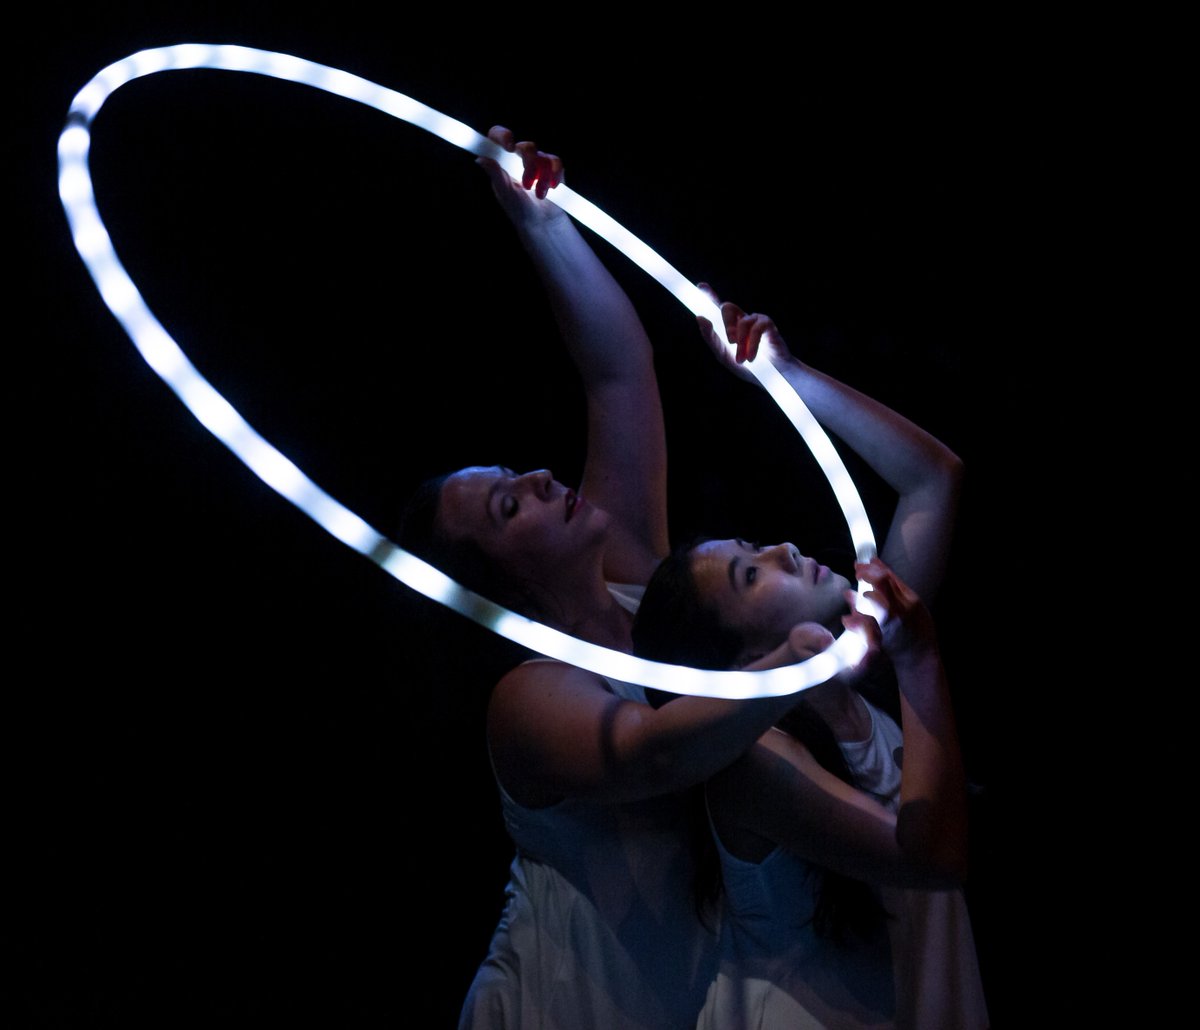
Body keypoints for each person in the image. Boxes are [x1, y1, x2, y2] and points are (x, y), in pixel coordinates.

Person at [398, 128, 837, 1030]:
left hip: (703, 993)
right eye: (506, 511)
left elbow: (618, 375)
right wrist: (803, 658)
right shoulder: (527, 703)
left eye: (510, 473)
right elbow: (660, 751)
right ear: (495, 587)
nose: (536, 479)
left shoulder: (636, 575)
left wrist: (538, 219)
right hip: (565, 1006)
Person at [631, 300, 989, 1028]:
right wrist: (918, 660)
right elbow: (933, 857)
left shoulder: (861, 658)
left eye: (751, 547)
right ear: (738, 661)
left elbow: (935, 479)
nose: (782, 550)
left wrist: (787, 379)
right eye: (751, 577)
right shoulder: (753, 760)